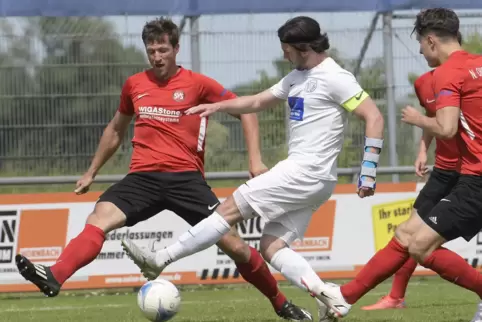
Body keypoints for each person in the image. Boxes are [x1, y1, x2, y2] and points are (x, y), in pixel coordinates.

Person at [14, 17, 312, 321]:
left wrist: (255, 160)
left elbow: (247, 112)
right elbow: (116, 129)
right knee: (98, 217)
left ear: (176, 48)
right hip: (142, 178)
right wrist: (92, 171)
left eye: (163, 50)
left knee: (234, 246)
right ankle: (55, 275)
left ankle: (282, 304)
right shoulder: (134, 84)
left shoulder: (198, 84)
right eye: (151, 50)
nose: (157, 57)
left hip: (186, 180)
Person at [120, 15, 384, 321]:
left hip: (304, 173)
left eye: (286, 48)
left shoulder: (336, 77)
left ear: (303, 47)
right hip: (315, 181)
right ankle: (329, 297)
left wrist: (368, 171)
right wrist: (218, 106)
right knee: (270, 246)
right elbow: (258, 101)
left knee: (227, 210)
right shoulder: (297, 76)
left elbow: (373, 116)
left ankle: (160, 259)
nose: (283, 54)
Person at [314, 8, 482, 320]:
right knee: (407, 236)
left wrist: (419, 120)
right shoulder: (477, 65)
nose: (419, 49)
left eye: (420, 43)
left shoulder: (447, 73)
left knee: (420, 245)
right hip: (463, 174)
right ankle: (344, 297)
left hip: (475, 178)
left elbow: (446, 128)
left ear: (431, 40)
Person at [361, 70, 460, 310]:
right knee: (411, 235)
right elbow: (433, 119)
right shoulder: (424, 82)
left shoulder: (468, 76)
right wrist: (423, 151)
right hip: (443, 173)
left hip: (470, 174)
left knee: (419, 240)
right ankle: (395, 297)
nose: (420, 49)